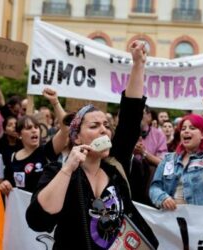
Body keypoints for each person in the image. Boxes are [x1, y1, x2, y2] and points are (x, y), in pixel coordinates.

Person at [26, 41, 158, 249]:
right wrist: (68, 169)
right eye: (94, 126)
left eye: (106, 125)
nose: (104, 130)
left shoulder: (114, 163)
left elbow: (131, 115)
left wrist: (138, 64)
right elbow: (38, 221)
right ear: (76, 137)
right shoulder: (60, 170)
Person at [149, 97, 203, 210]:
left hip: (198, 224)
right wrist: (162, 198)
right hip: (169, 223)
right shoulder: (168, 159)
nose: (186, 131)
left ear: (202, 135)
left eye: (192, 128)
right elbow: (154, 188)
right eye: (183, 129)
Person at [0, 88, 68, 194]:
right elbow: (9, 184)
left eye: (36, 127)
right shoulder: (13, 157)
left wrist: (55, 102)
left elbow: (66, 129)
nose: (34, 130)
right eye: (29, 128)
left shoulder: (46, 150)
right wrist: (4, 185)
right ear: (19, 134)